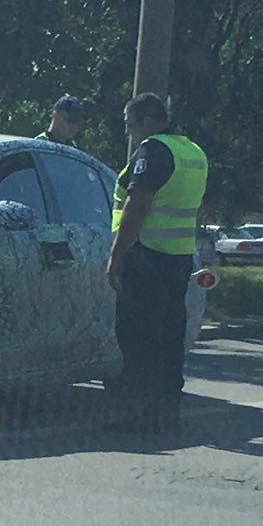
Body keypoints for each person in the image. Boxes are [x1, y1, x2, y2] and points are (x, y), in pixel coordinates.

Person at [105, 92, 208, 434]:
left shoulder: (154, 151)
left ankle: (138, 416)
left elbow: (137, 208)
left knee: (137, 339)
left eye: (130, 124)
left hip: (145, 255)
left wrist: (116, 256)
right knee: (168, 337)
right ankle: (167, 412)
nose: (128, 132)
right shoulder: (193, 152)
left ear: (147, 119)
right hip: (178, 258)